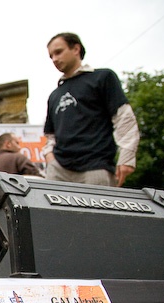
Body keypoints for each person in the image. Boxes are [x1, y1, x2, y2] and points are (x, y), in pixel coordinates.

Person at [42, 32, 140, 187]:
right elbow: (50, 135)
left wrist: (126, 157)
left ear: (76, 49)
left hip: (96, 167)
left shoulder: (103, 78)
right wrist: (50, 159)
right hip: (58, 170)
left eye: (58, 52)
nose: (54, 59)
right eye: (51, 56)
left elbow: (123, 118)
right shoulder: (54, 95)